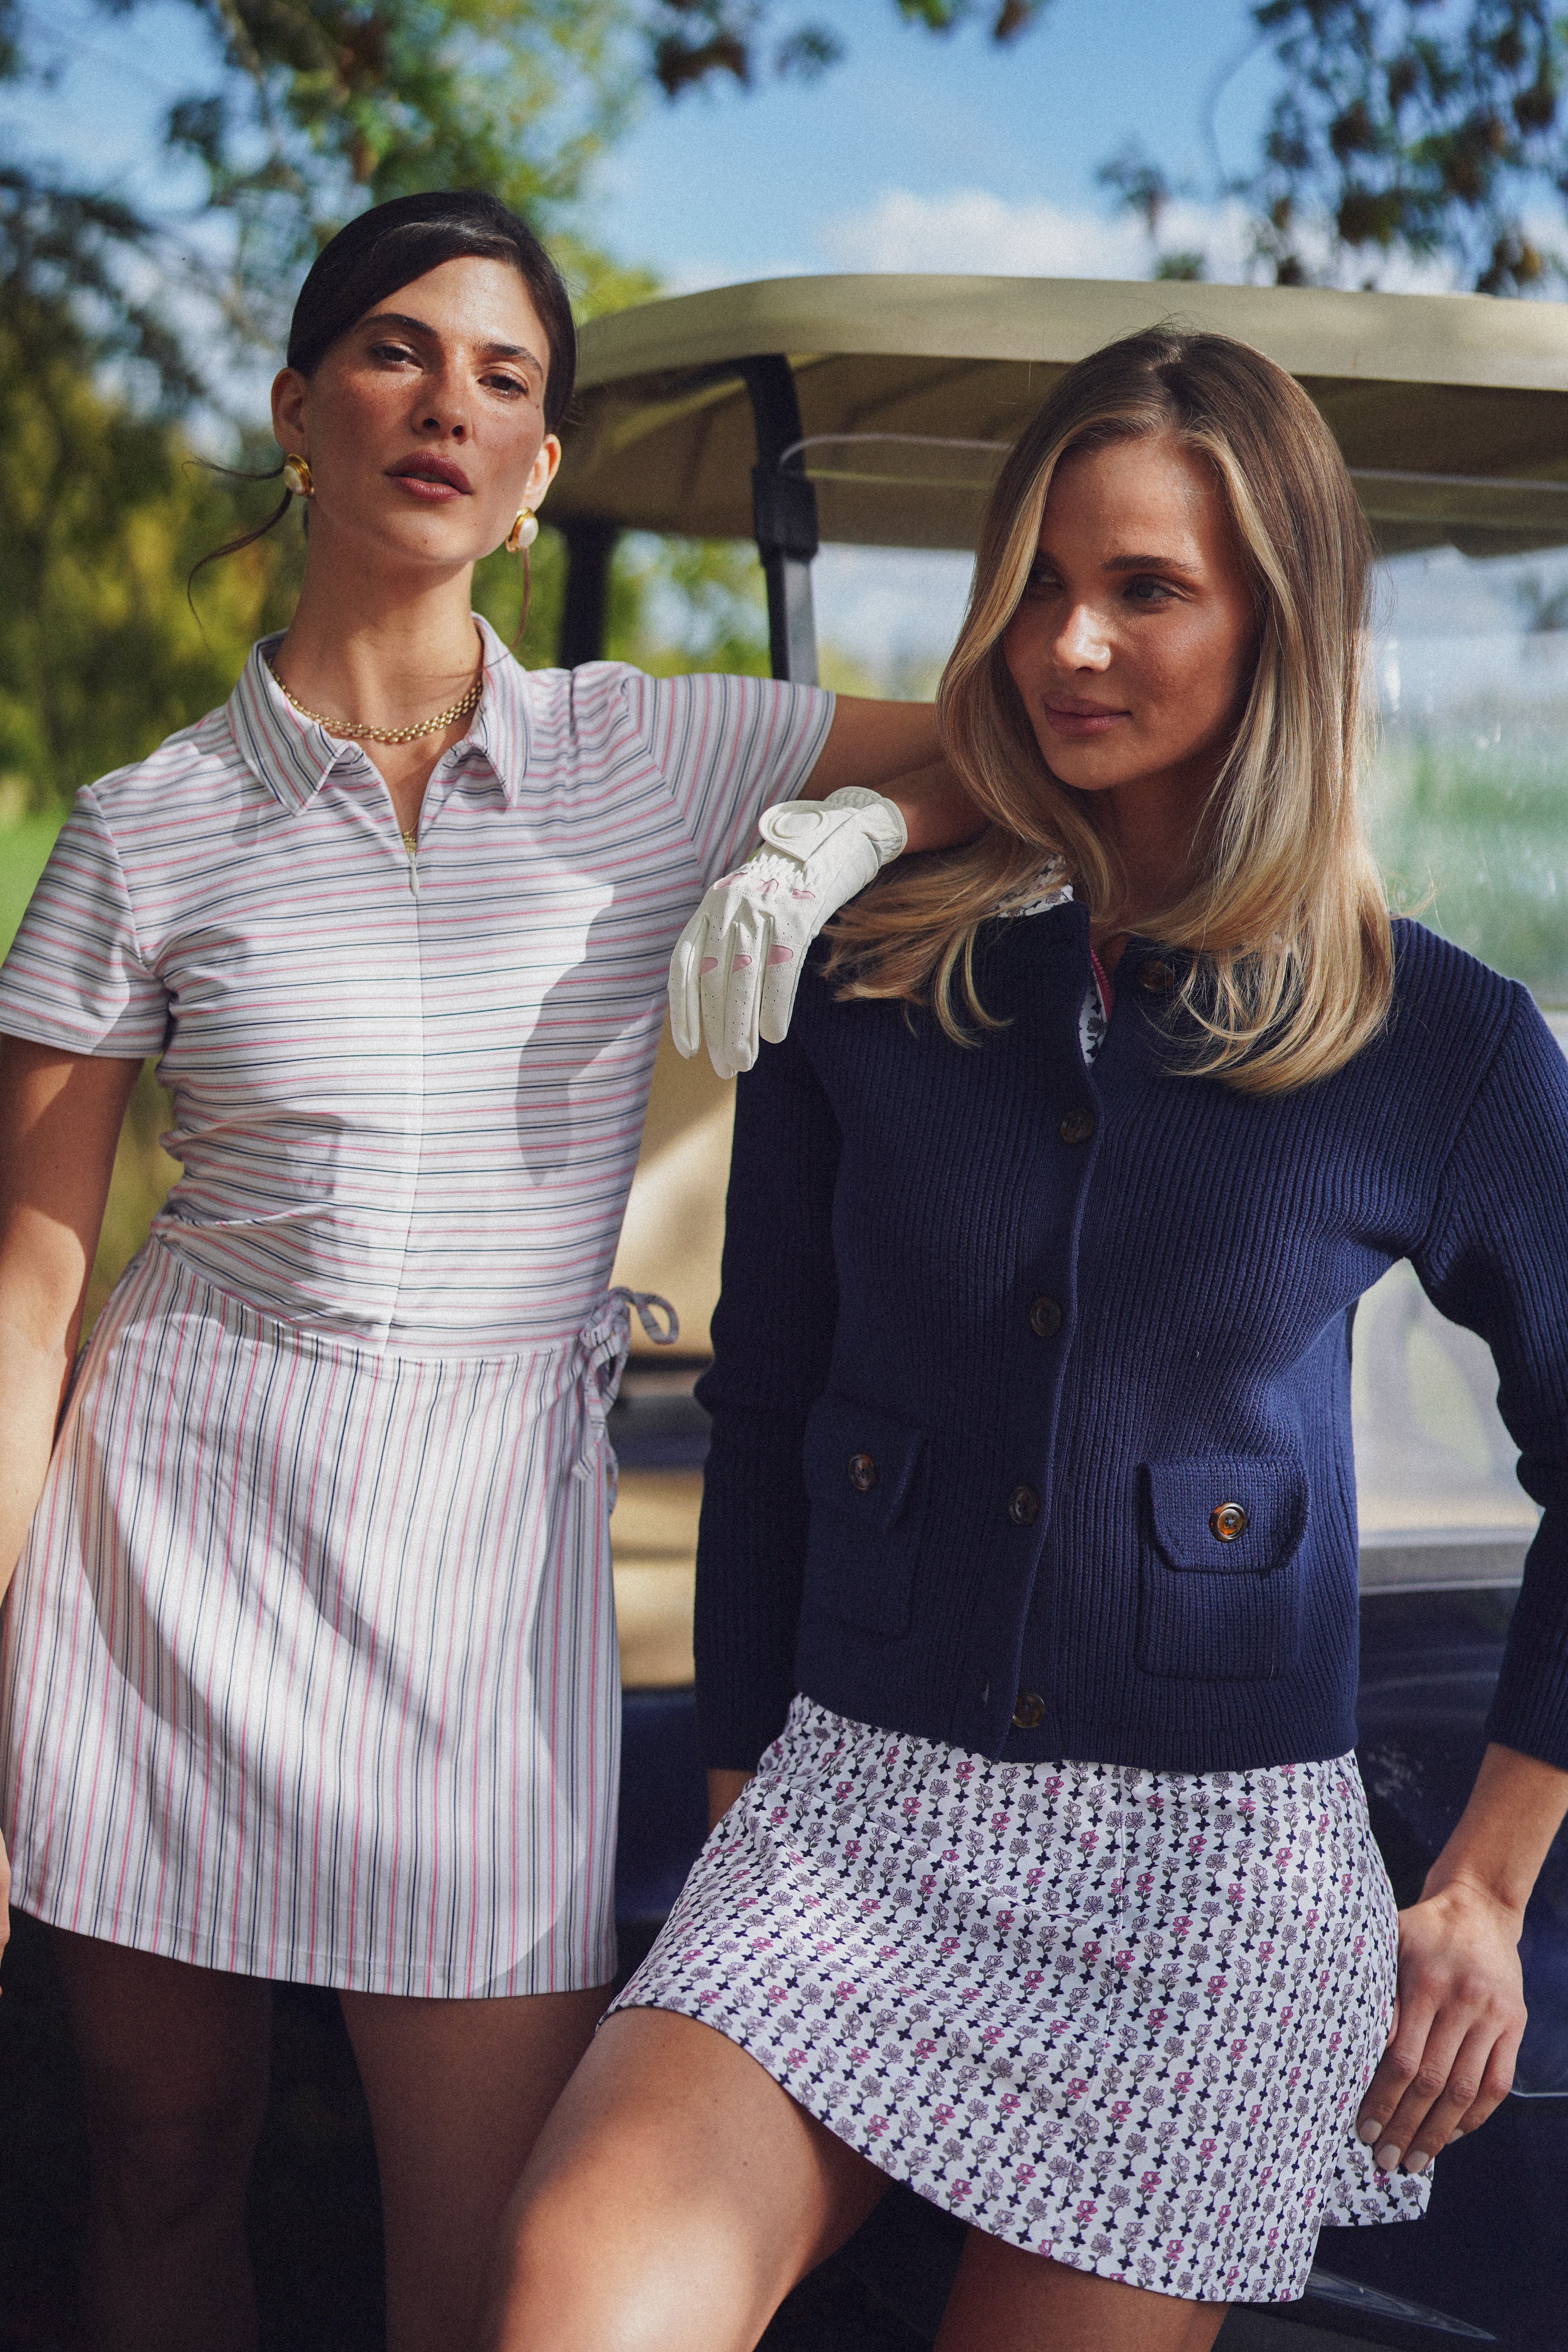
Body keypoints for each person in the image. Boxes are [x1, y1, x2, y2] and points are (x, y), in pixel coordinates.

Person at [478, 327, 1568, 2352]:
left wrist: (1487, 1886)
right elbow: (768, 1408)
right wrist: (740, 1808)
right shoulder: (860, 969)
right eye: (1043, 584)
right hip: (850, 1825)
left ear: (1276, 627)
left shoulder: (1438, 1039)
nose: (1070, 643)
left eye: (1146, 589)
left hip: (1215, 1889)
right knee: (575, 2296)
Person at [0, 189, 975, 2352]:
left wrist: (842, 832)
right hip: (166, 1545)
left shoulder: (659, 750)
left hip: (480, 1579)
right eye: (396, 352)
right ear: (299, 412)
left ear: (538, 474)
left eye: (504, 378)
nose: (447, 403)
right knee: (165, 2158)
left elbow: (1039, 746)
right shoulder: (141, 827)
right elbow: (28, 1294)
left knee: (481, 2243)